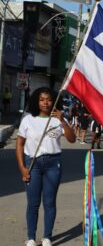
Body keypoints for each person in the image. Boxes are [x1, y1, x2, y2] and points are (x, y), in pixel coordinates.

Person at [15, 87, 76, 246]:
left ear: (54, 100)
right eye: (42, 99)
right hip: (33, 164)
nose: (45, 103)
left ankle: (47, 237)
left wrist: (63, 120)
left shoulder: (57, 119)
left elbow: (72, 139)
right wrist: (22, 167)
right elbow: (20, 144)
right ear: (36, 101)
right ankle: (30, 238)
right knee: (33, 203)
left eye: (48, 99)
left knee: (49, 202)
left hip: (53, 164)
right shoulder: (28, 120)